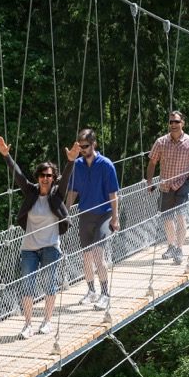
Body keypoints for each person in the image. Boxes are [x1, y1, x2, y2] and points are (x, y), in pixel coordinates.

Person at [0, 136, 72, 339]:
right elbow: (18, 175)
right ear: (37, 177)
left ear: (53, 177)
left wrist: (71, 161)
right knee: (27, 286)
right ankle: (28, 325)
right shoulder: (30, 192)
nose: (45, 178)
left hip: (50, 246)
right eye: (41, 175)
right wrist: (6, 156)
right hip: (29, 247)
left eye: (48, 175)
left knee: (49, 283)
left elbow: (65, 181)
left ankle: (47, 321)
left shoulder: (57, 195)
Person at [66, 128, 119, 312]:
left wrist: (115, 218)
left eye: (86, 146)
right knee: (86, 256)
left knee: (98, 254)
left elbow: (113, 193)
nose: (82, 149)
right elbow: (73, 191)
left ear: (94, 144)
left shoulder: (106, 165)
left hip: (104, 215)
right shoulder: (77, 165)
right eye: (80, 146)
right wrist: (65, 212)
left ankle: (106, 294)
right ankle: (91, 291)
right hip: (85, 214)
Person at [146, 111, 189, 265]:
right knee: (167, 218)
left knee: (180, 215)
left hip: (183, 184)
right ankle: (171, 245)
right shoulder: (161, 142)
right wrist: (149, 182)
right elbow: (152, 162)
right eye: (171, 122)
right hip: (165, 185)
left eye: (176, 122)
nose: (173, 125)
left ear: (182, 123)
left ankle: (179, 248)